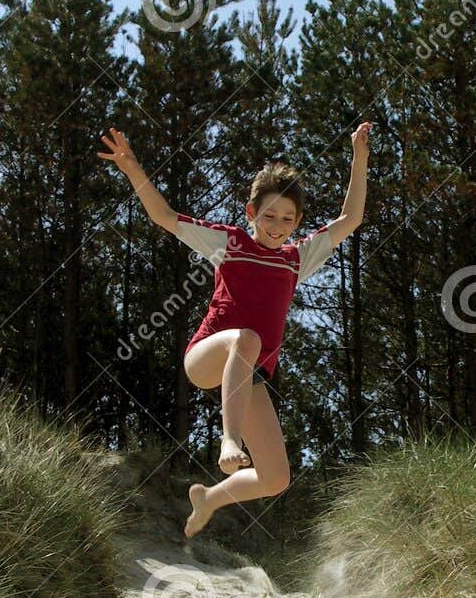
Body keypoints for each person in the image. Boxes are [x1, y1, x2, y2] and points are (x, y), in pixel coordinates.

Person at [98, 122, 371, 537]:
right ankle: (230, 440)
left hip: (247, 375)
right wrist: (134, 169)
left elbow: (351, 218)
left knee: (275, 478)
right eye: (268, 215)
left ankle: (209, 497)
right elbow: (164, 216)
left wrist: (360, 157)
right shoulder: (230, 243)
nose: (277, 225)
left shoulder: (297, 258)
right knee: (247, 339)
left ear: (297, 221)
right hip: (207, 356)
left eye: (287, 219)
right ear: (251, 213)